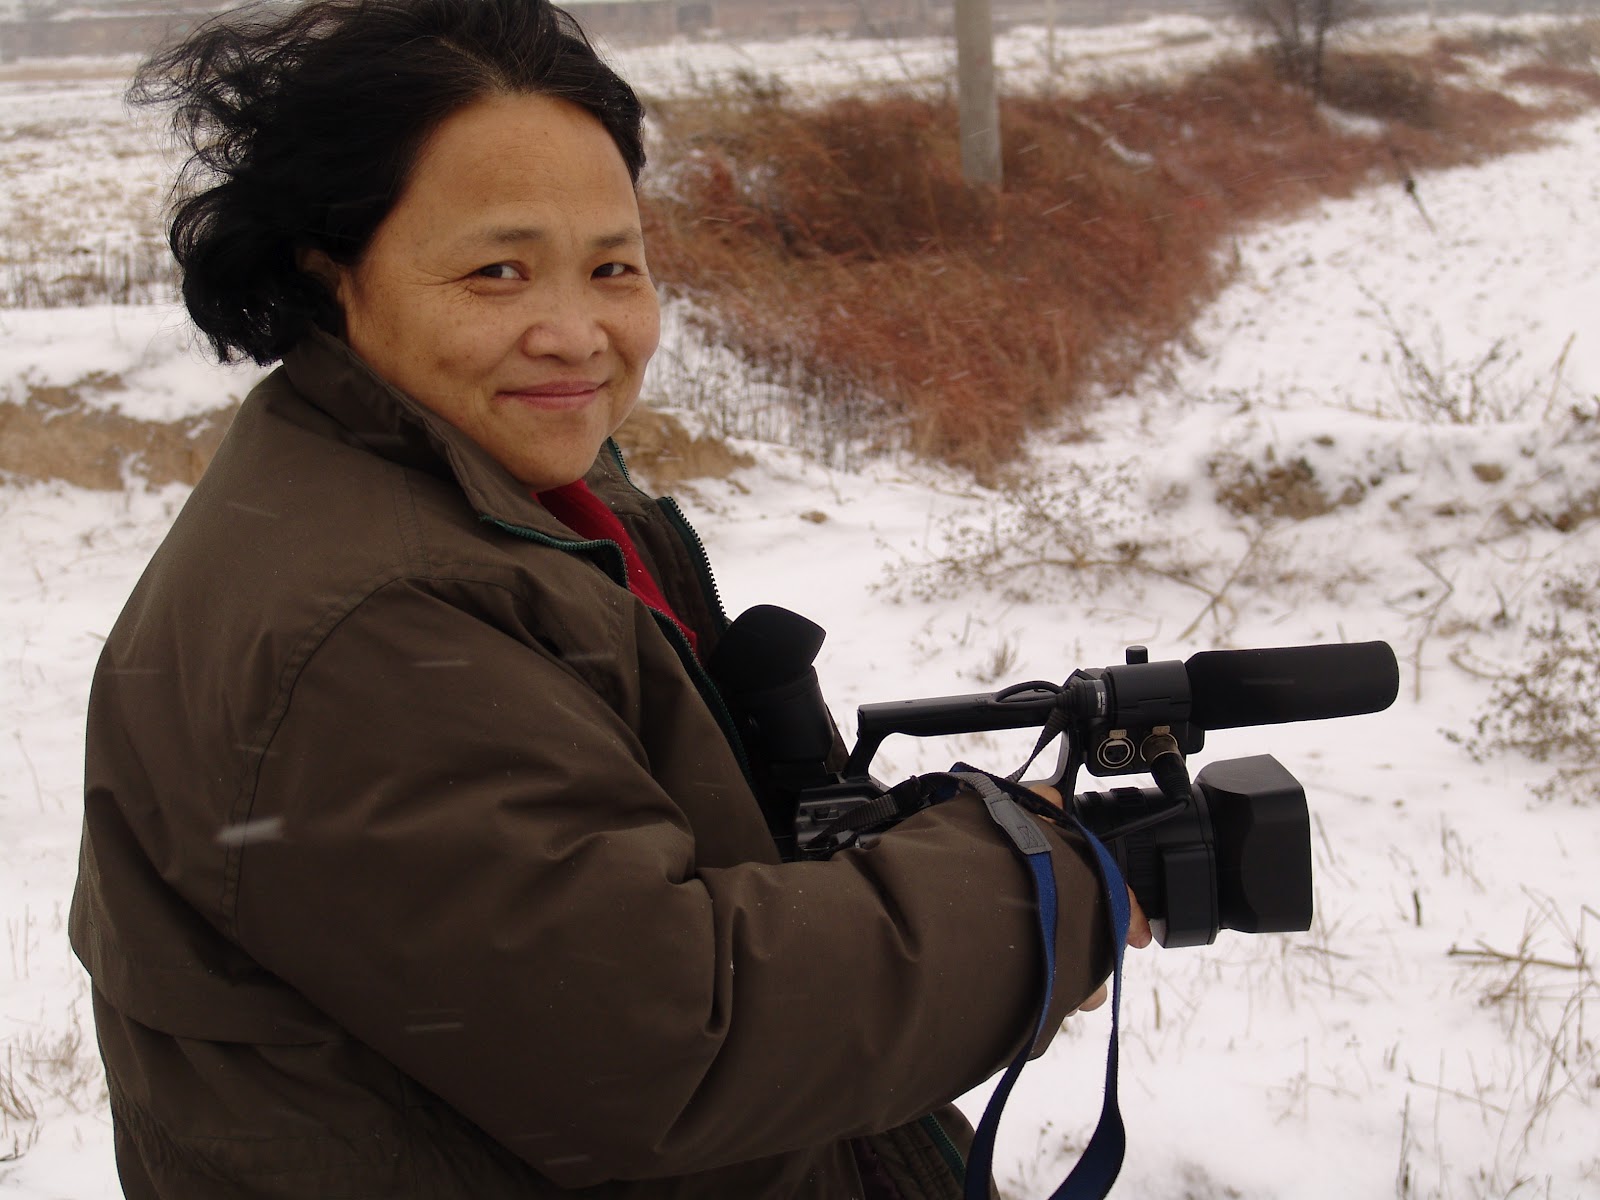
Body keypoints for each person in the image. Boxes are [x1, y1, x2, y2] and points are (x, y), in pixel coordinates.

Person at [70, 0, 1149, 1196]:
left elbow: (618, 887)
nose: (578, 333)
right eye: (497, 271)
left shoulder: (498, 496)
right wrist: (1036, 890)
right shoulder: (373, 628)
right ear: (332, 273)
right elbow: (679, 1041)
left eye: (613, 267)